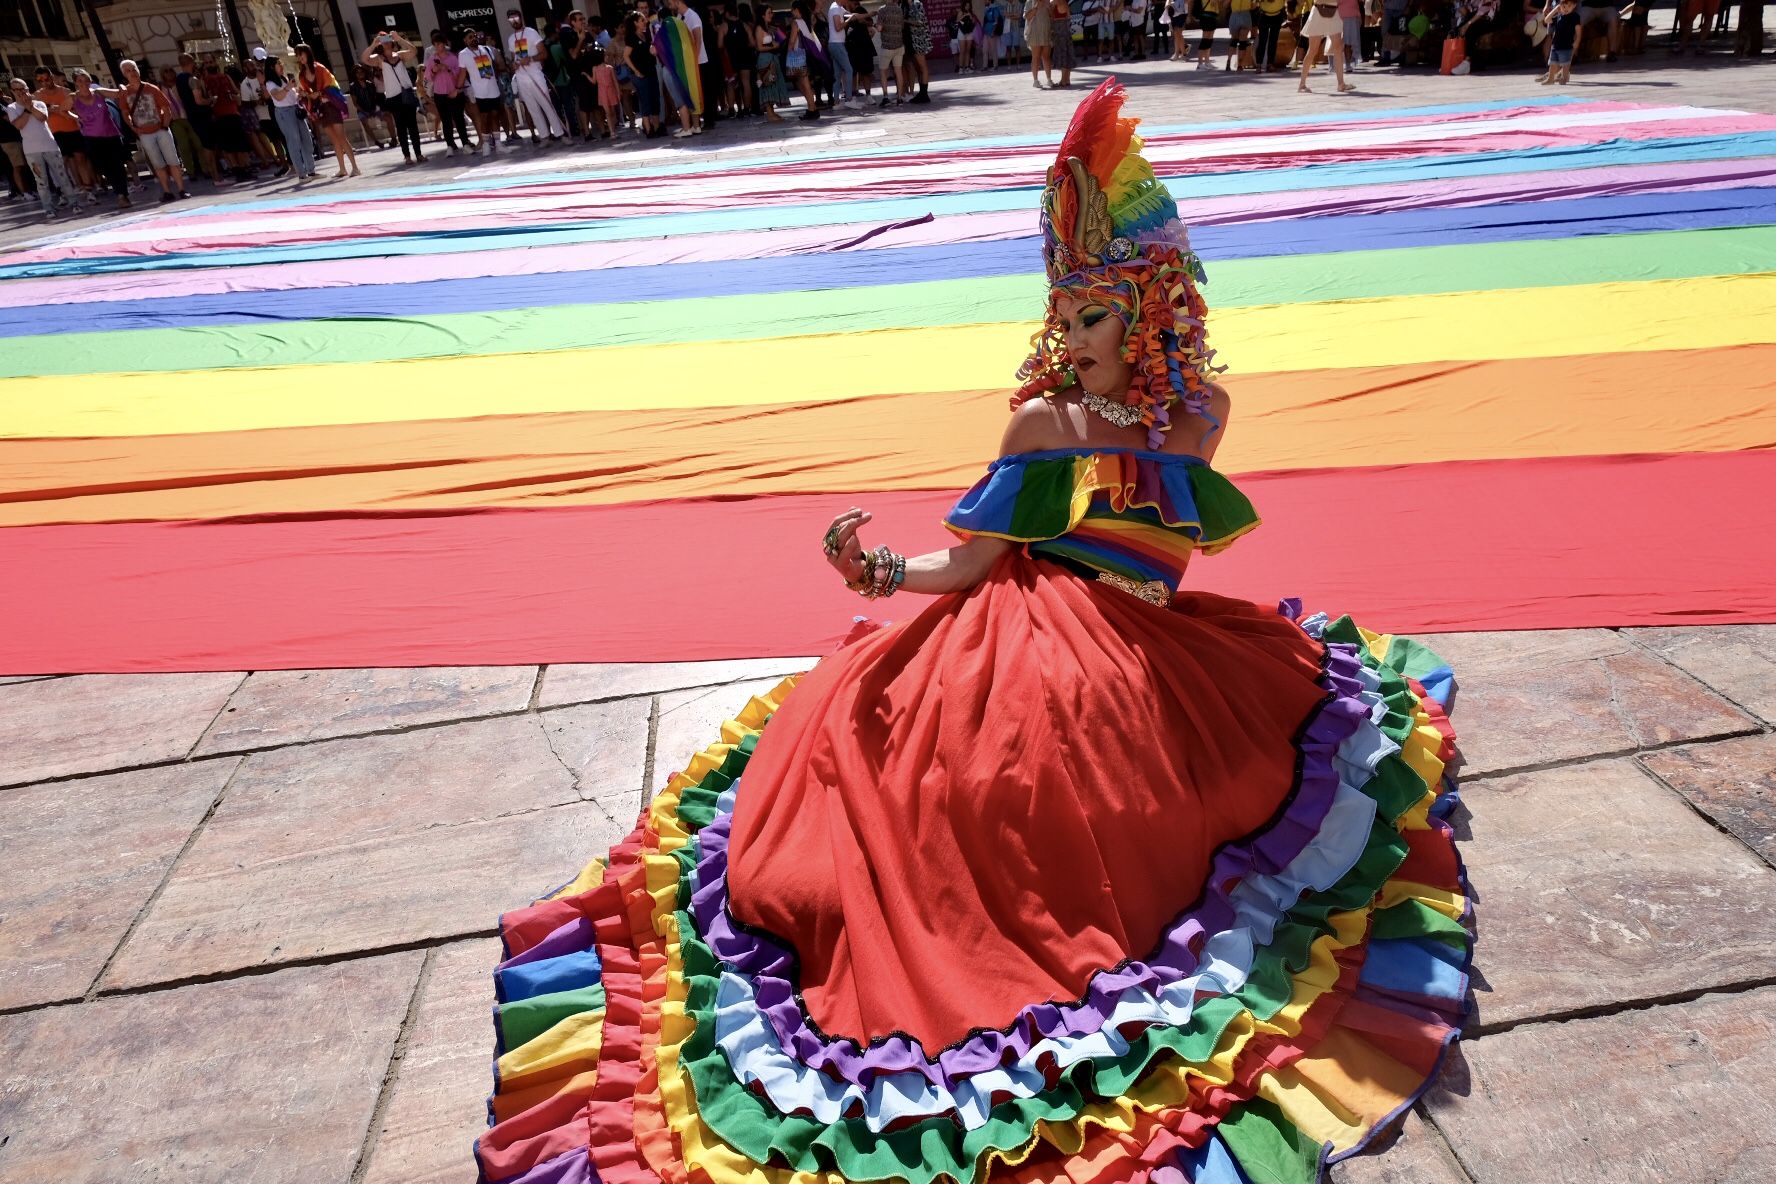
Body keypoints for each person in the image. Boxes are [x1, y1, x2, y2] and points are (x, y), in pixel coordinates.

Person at [471, 78, 1469, 1184]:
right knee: (932, 791)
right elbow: (979, 562)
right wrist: (882, 571)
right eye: (1067, 312)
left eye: (1096, 312)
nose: (1072, 333)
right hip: (1022, 640)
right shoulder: (1048, 419)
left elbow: (1150, 525)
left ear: (1151, 312)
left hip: (1150, 655)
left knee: (1135, 794)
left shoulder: (1200, 415)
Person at [114, 59, 188, 201]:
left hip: (161, 130)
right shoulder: (125, 93)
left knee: (173, 160)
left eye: (134, 69)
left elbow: (166, 108)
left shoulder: (152, 88)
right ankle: (167, 191)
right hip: (144, 133)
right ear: (124, 74)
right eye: (128, 71)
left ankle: (181, 189)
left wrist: (165, 126)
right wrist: (134, 128)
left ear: (138, 70)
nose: (132, 73)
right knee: (157, 164)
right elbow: (124, 113)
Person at [7, 77, 79, 219]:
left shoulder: (39, 103)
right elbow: (18, 125)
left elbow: (42, 117)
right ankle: (48, 208)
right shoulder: (12, 108)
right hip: (32, 150)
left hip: (50, 145)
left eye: (23, 88)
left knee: (62, 176)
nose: (21, 92)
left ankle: (74, 202)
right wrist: (27, 110)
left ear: (28, 89)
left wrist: (30, 105)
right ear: (12, 92)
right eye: (17, 90)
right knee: (41, 181)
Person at [64, 69, 132, 211]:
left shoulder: (99, 92)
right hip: (92, 138)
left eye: (86, 79)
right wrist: (76, 118)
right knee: (103, 167)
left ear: (90, 81)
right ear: (75, 83)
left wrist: (123, 87)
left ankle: (121, 194)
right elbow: (62, 110)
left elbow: (118, 93)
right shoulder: (73, 98)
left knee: (117, 165)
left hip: (111, 134)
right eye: (80, 81)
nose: (84, 83)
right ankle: (118, 190)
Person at [295, 43, 361, 177]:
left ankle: (355, 168)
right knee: (334, 139)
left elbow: (332, 86)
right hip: (320, 109)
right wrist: (306, 95)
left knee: (341, 137)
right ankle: (342, 169)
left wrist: (318, 94)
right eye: (297, 55)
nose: (299, 57)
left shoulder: (320, 68)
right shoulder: (302, 75)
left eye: (300, 54)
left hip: (331, 105)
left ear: (307, 53)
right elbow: (306, 92)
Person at [363, 31, 425, 162]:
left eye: (388, 39)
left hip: (406, 94)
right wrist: (373, 44)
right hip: (394, 97)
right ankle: (407, 156)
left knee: (413, 126)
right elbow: (364, 59)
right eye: (383, 39)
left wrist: (399, 39)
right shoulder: (379, 59)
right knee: (401, 127)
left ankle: (418, 154)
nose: (386, 42)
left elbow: (413, 51)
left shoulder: (400, 55)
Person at [507, 9, 568, 140]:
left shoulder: (531, 32)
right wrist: (514, 64)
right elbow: (513, 58)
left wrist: (530, 59)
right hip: (521, 76)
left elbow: (544, 54)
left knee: (546, 104)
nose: (514, 21)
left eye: (516, 17)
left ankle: (560, 134)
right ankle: (544, 136)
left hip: (535, 74)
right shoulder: (511, 39)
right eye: (511, 19)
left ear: (520, 17)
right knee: (532, 108)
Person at [33, 68, 94, 197]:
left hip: (73, 129)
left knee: (80, 159)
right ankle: (65, 192)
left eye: (46, 78)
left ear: (51, 77)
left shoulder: (65, 91)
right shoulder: (37, 96)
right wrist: (52, 108)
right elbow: (38, 112)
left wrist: (57, 109)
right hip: (54, 132)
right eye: (40, 80)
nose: (44, 82)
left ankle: (88, 190)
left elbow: (74, 107)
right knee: (61, 163)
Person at [458, 28, 507, 155]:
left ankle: (498, 143)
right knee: (484, 118)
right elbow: (462, 73)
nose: (473, 38)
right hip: (479, 91)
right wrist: (457, 89)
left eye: (474, 36)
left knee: (496, 116)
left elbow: (495, 66)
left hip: (493, 89)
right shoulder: (463, 54)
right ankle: (486, 144)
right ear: (465, 40)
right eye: (470, 37)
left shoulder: (486, 49)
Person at [265, 57, 316, 177]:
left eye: (281, 63)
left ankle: (311, 171)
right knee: (294, 142)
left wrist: (299, 94)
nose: (282, 66)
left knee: (306, 139)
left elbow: (291, 95)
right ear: (272, 67)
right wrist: (288, 88)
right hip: (284, 113)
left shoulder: (284, 78)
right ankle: (301, 174)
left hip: (295, 109)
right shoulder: (270, 83)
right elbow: (278, 97)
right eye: (279, 64)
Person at [424, 30, 473, 155]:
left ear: (444, 44)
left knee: (459, 118)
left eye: (439, 44)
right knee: (445, 120)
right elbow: (428, 77)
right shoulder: (432, 59)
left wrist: (447, 69)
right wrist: (434, 70)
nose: (437, 47)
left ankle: (465, 144)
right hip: (440, 93)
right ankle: (450, 145)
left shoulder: (453, 57)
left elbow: (460, 74)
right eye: (435, 45)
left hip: (454, 92)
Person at [1298, 0, 1356, 89]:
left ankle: (1341, 84)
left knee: (1338, 48)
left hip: (1334, 11)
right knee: (1313, 49)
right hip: (1318, 10)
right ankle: (1302, 84)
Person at [787, 0, 825, 119]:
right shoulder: (807, 21)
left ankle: (811, 109)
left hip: (797, 55)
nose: (791, 11)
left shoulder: (796, 23)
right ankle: (812, 107)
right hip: (807, 55)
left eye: (792, 9)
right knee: (803, 82)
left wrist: (788, 55)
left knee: (803, 83)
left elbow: (792, 42)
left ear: (797, 10)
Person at [753, 4, 789, 119]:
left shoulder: (768, 27)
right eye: (769, 13)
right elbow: (759, 47)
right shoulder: (759, 28)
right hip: (765, 59)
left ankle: (772, 111)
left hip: (772, 58)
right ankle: (769, 112)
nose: (771, 15)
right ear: (762, 15)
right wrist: (773, 47)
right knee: (767, 84)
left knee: (773, 83)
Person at [828, 0, 861, 106]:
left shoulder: (838, 7)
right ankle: (849, 99)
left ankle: (836, 102)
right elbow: (838, 27)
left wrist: (869, 14)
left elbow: (852, 15)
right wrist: (850, 19)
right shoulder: (835, 9)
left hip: (836, 44)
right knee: (849, 69)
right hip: (837, 44)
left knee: (837, 74)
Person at [1539, 0, 1581, 79]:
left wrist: (1577, 42)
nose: (1566, 9)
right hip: (1557, 44)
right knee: (1554, 60)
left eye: (1568, 7)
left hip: (1567, 45)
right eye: (1565, 7)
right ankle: (1552, 74)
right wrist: (1555, 9)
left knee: (1565, 60)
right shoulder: (1559, 16)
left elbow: (1578, 32)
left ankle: (1562, 74)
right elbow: (1547, 20)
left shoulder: (1575, 17)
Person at [877, 0, 908, 102]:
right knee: (898, 71)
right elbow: (902, 26)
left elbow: (879, 28)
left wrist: (876, 26)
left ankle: (885, 96)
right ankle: (899, 97)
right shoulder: (899, 10)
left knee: (883, 72)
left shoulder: (882, 10)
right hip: (899, 45)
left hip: (887, 46)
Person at [905, 0, 934, 100]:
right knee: (918, 68)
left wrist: (905, 21)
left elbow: (919, 21)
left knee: (923, 66)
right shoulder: (906, 5)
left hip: (919, 39)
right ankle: (922, 92)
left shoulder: (916, 4)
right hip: (912, 40)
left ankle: (924, 94)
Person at [1025, 0, 1055, 82]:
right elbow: (1027, 17)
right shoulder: (1029, 2)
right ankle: (1035, 80)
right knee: (1036, 57)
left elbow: (1052, 17)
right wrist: (1036, 7)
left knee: (1046, 57)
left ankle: (1049, 79)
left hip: (1046, 32)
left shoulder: (1047, 1)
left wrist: (1049, 9)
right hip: (1035, 33)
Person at [1254, 0, 1290, 66]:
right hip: (1264, 15)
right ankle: (1259, 63)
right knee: (1262, 40)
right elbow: (1255, 3)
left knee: (1273, 41)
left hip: (1277, 15)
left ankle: (1270, 63)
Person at [1049, 0, 1076, 83]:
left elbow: (1050, 16)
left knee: (1062, 55)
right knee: (1068, 54)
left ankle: (1063, 80)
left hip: (1059, 31)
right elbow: (1068, 16)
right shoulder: (1064, 2)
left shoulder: (1053, 2)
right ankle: (1067, 79)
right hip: (1066, 31)